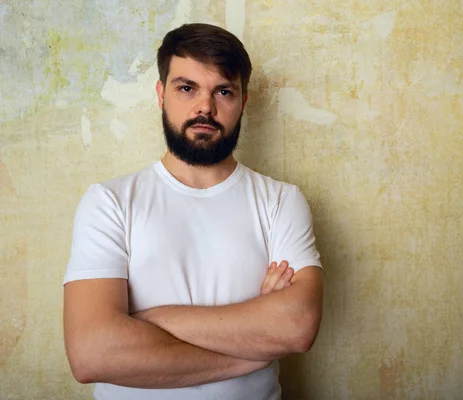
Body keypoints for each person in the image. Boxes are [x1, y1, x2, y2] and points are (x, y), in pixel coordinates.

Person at [63, 23, 323, 400]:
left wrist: (151, 321)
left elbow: (297, 326)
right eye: (187, 88)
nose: (205, 107)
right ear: (160, 95)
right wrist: (252, 354)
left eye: (223, 91)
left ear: (243, 101)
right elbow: (91, 354)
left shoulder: (281, 201)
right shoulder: (109, 202)